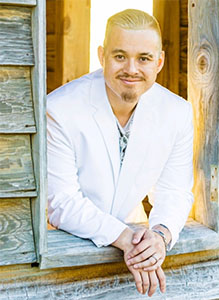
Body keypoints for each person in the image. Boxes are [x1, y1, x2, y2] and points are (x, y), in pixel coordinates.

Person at [47, 9, 194, 297]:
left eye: (144, 58)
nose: (131, 69)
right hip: (67, 247)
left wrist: (160, 237)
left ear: (159, 61)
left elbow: (174, 191)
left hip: (135, 248)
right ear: (102, 56)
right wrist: (127, 238)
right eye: (119, 56)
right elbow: (62, 200)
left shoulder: (177, 113)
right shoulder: (60, 108)